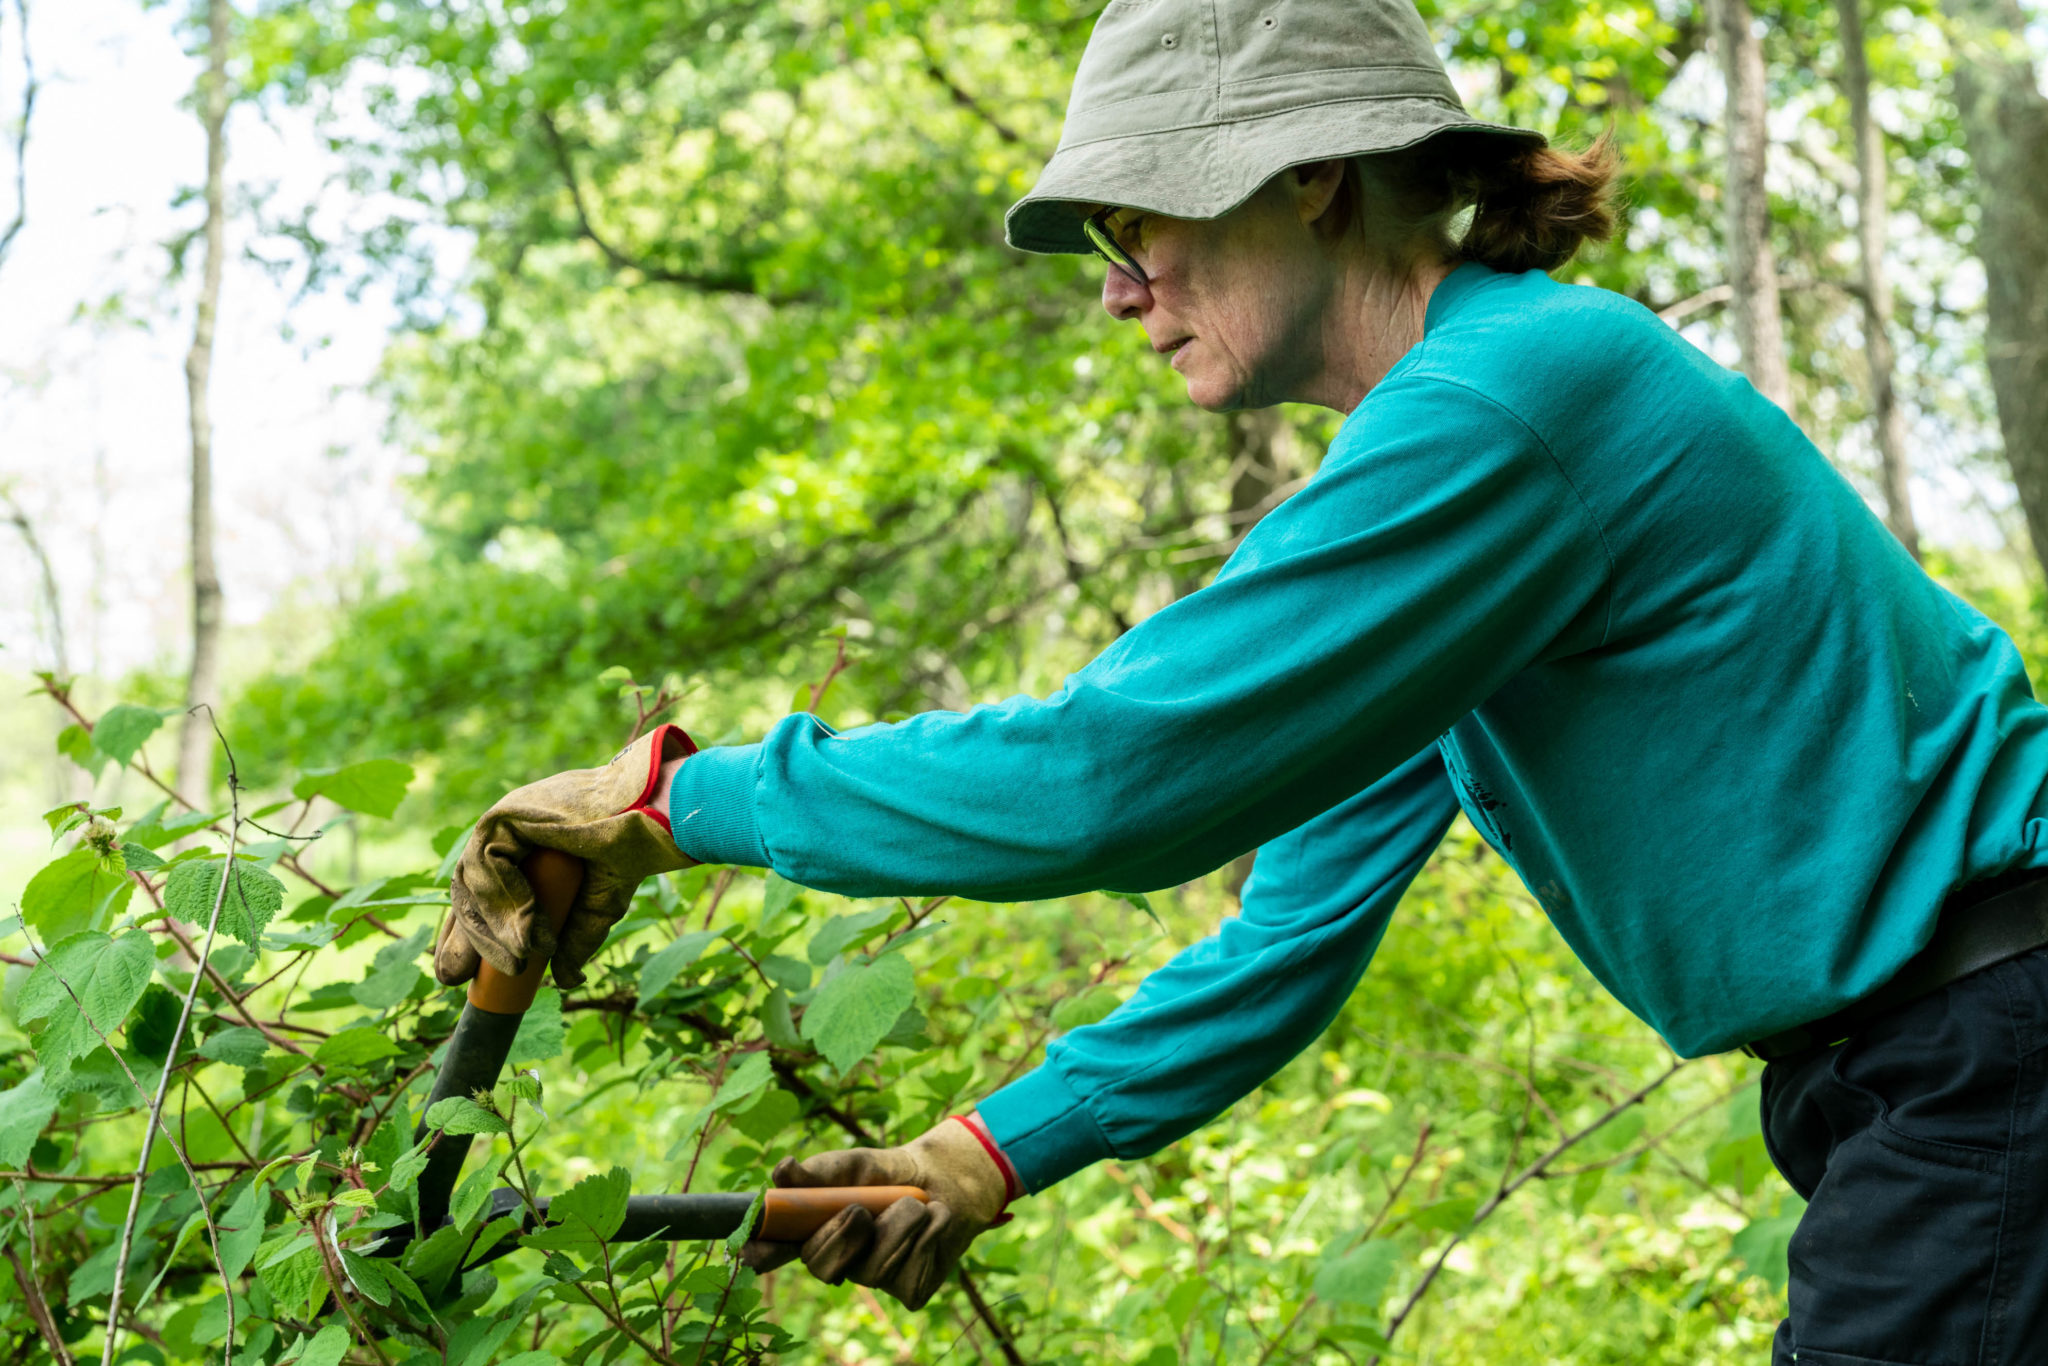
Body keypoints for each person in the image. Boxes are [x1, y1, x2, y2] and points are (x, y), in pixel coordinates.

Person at [435, 0, 2048, 1358]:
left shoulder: (1505, 409)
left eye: (1139, 222)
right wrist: (983, 1153)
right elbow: (1290, 932)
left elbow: (1111, 779)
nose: (1122, 285)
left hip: (1984, 1048)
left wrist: (676, 803)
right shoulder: (1463, 481)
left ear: (1313, 178)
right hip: (1936, 1067)